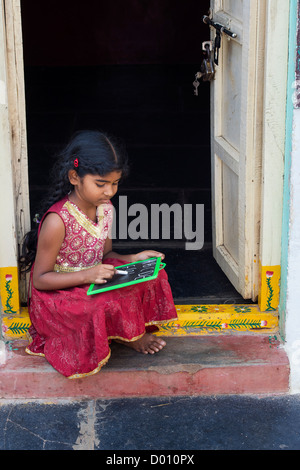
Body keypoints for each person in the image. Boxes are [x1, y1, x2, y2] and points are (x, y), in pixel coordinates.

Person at [20, 130, 177, 379]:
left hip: (95, 277)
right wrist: (87, 275)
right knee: (99, 304)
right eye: (100, 184)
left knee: (153, 274)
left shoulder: (106, 209)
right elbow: (40, 279)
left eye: (114, 183)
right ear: (75, 177)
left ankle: (124, 333)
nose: (109, 192)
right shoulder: (57, 221)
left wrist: (134, 258)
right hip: (61, 292)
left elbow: (107, 254)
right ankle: (126, 336)